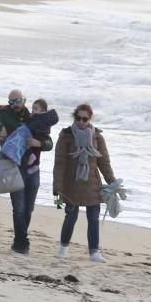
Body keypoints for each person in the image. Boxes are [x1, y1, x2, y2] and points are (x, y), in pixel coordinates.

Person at [0, 89, 53, 254]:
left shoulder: (33, 118)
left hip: (33, 169)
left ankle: (19, 241)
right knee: (19, 208)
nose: (15, 105)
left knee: (28, 209)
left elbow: (50, 143)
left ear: (24, 100)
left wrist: (38, 143)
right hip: (13, 168)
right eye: (12, 102)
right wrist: (0, 126)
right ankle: (22, 243)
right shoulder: (4, 115)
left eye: (18, 101)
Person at [53, 103, 115, 263]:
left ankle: (94, 252)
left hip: (92, 183)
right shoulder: (66, 136)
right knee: (70, 217)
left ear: (89, 119)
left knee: (93, 219)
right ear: (75, 117)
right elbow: (60, 163)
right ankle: (63, 247)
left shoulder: (97, 137)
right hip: (71, 183)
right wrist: (57, 186)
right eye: (78, 118)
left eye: (85, 119)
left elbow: (104, 162)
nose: (81, 121)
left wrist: (112, 183)